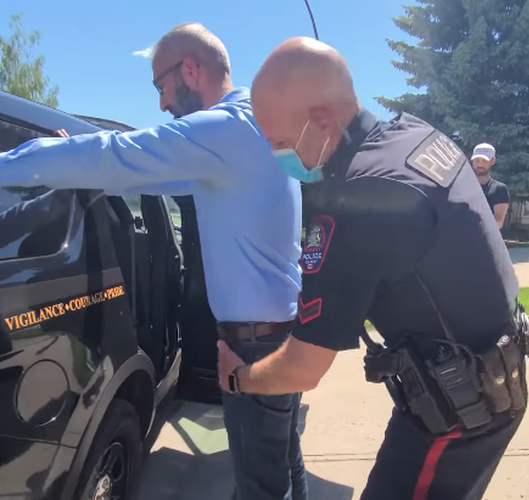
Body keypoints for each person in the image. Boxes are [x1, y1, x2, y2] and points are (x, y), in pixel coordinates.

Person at [215, 37, 529, 500]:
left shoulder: (360, 203)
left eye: (279, 141)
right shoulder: (415, 134)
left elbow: (302, 369)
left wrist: (238, 378)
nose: (275, 155)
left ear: (321, 121)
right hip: (491, 381)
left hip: (457, 415)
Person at [0, 23, 308, 500]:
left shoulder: (224, 129)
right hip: (277, 335)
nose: (162, 102)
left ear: (190, 68)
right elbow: (156, 178)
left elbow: (120, 155)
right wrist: (78, 161)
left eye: (160, 86)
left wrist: (12, 164)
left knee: (262, 487)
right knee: (284, 469)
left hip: (255, 345)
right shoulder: (258, 128)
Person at [471, 143, 510, 229]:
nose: (480, 164)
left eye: (484, 160)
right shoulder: (462, 186)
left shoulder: (499, 189)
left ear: (492, 161)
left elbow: (498, 223)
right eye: (477, 160)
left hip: (483, 241)